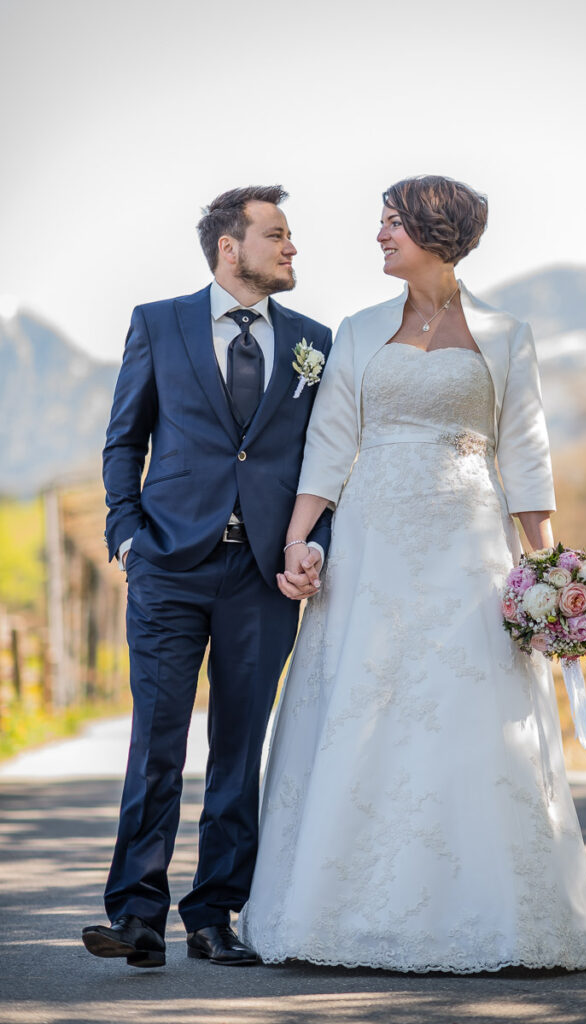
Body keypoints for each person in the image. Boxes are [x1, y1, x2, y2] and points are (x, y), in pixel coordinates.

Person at [239, 176, 586, 973]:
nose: (378, 236)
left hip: (468, 543)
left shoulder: (505, 333)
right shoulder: (357, 329)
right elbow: (332, 442)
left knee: (467, 708)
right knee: (364, 700)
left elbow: (523, 453)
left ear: (433, 229)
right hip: (374, 544)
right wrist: (298, 542)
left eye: (391, 224)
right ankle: (340, 906)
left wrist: (550, 572)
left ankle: (494, 910)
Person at [82, 185, 332, 969]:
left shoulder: (313, 340)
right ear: (231, 247)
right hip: (168, 564)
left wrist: (311, 540)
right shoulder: (157, 323)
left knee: (237, 746)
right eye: (277, 235)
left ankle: (215, 913)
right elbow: (125, 437)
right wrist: (125, 531)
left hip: (261, 574)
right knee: (155, 741)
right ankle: (136, 915)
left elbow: (323, 461)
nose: (292, 249)